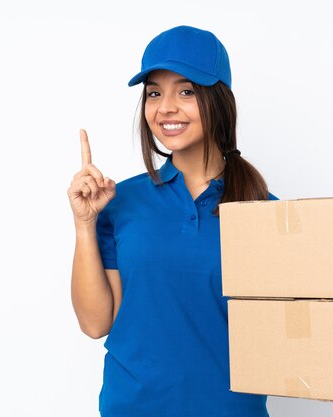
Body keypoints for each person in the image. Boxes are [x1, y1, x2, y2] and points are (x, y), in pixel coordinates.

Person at [67, 25, 279, 417]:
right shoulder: (119, 201)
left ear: (218, 100)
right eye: (153, 93)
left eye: (185, 91)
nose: (165, 107)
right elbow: (96, 324)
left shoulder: (266, 213)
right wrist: (84, 224)